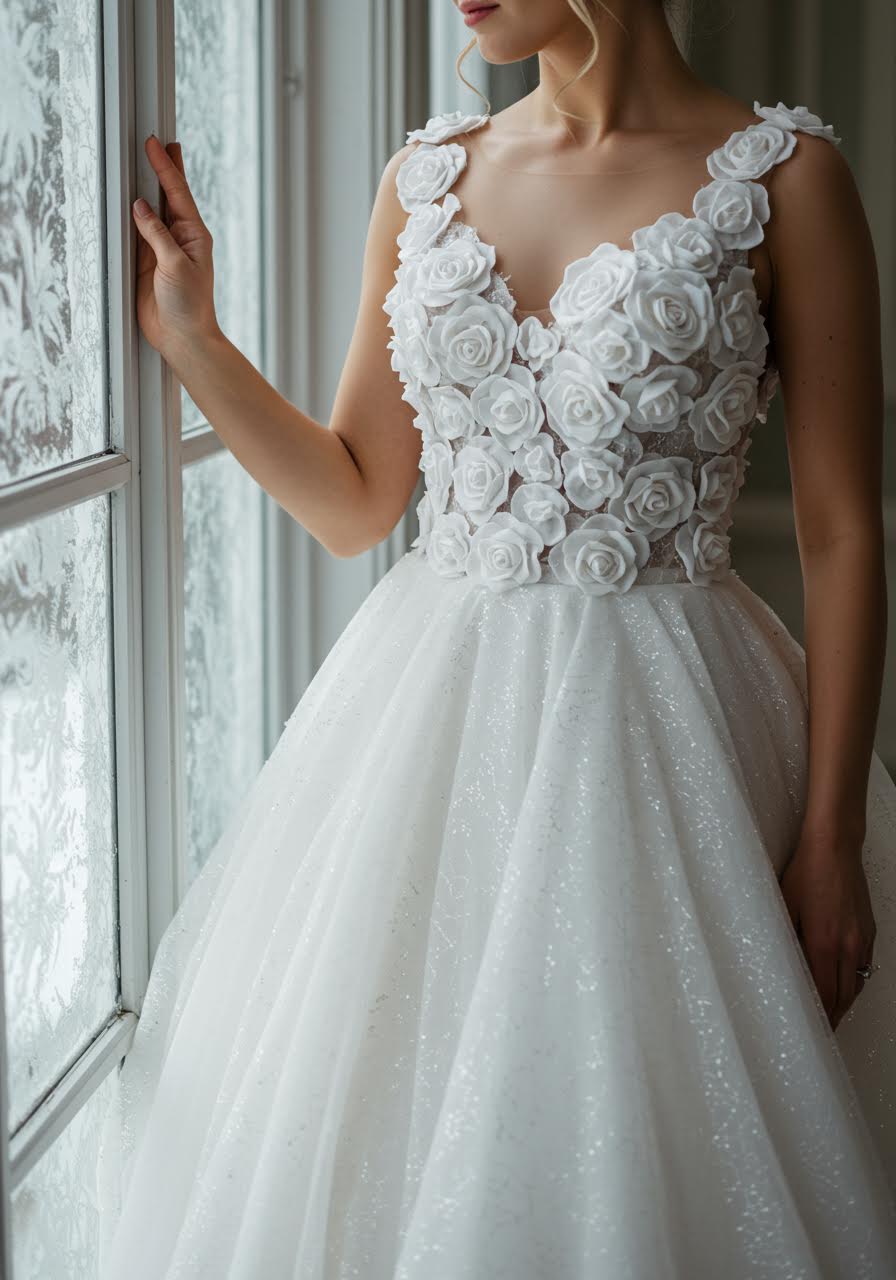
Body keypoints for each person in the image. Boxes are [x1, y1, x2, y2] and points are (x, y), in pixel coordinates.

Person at [97, 0, 896, 1274]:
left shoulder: (787, 181)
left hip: (666, 745)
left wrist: (831, 835)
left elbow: (842, 533)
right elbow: (360, 495)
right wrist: (193, 339)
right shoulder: (426, 177)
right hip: (424, 746)